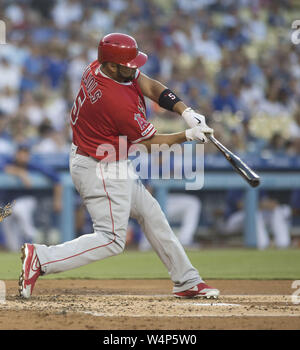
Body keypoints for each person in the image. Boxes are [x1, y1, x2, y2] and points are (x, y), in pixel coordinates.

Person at [18, 33, 220, 299]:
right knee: (112, 239)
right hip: (99, 166)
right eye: (129, 64)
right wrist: (187, 136)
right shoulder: (115, 101)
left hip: (105, 159)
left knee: (152, 214)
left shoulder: (100, 67)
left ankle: (186, 280)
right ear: (112, 65)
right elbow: (150, 142)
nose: (135, 68)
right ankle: (41, 258)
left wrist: (185, 111)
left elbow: (151, 86)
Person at [1, 145, 62, 251]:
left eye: (25, 154)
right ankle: (15, 252)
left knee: (19, 210)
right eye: (21, 153)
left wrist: (58, 201)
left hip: (27, 199)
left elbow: (57, 179)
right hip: (8, 203)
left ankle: (33, 241)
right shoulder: (8, 161)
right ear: (16, 154)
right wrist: (20, 173)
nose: (23, 156)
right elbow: (3, 166)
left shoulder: (33, 165)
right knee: (8, 230)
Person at [220, 189, 291, 249]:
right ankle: (262, 244)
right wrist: (262, 205)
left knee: (278, 211)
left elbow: (271, 204)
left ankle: (283, 244)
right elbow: (240, 205)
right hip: (233, 219)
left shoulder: (259, 185)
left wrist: (264, 205)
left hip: (255, 216)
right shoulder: (236, 186)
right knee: (253, 213)